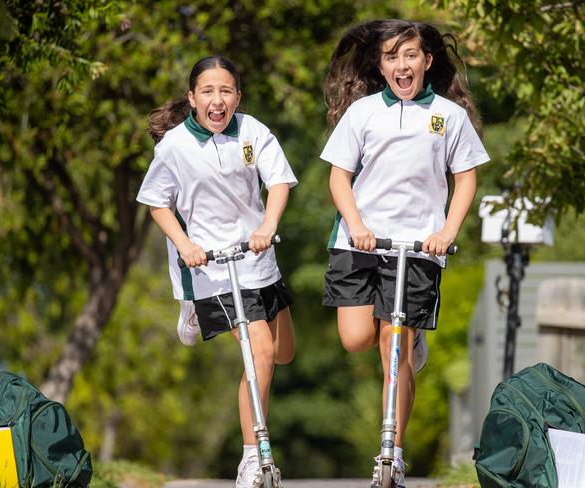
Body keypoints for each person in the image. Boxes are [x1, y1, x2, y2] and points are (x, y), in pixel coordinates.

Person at [320, 19, 489, 486]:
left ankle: (390, 451)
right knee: (356, 337)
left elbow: (466, 178)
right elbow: (339, 176)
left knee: (392, 346)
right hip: (359, 242)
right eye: (392, 56)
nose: (401, 65)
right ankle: (408, 335)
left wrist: (446, 232)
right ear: (381, 64)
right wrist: (356, 224)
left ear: (427, 61)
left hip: (417, 247)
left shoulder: (448, 117)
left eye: (410, 55)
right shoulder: (363, 113)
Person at [137, 55, 297, 488]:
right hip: (212, 268)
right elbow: (156, 202)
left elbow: (279, 181)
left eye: (226, 90)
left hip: (259, 261)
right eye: (207, 91)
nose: (217, 99)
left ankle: (190, 306)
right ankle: (252, 457)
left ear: (238, 97)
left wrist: (268, 225)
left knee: (282, 354)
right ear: (192, 98)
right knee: (260, 353)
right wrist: (186, 245)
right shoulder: (173, 146)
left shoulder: (252, 131)